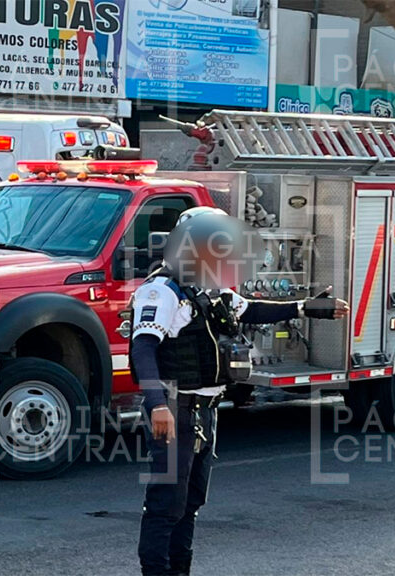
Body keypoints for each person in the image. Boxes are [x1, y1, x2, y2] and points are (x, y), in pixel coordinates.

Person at [130, 208, 349, 576]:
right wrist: (156, 406)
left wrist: (307, 308)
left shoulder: (210, 289)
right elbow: (143, 349)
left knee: (190, 502)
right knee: (166, 503)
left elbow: (252, 310)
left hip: (204, 410)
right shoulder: (161, 291)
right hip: (174, 407)